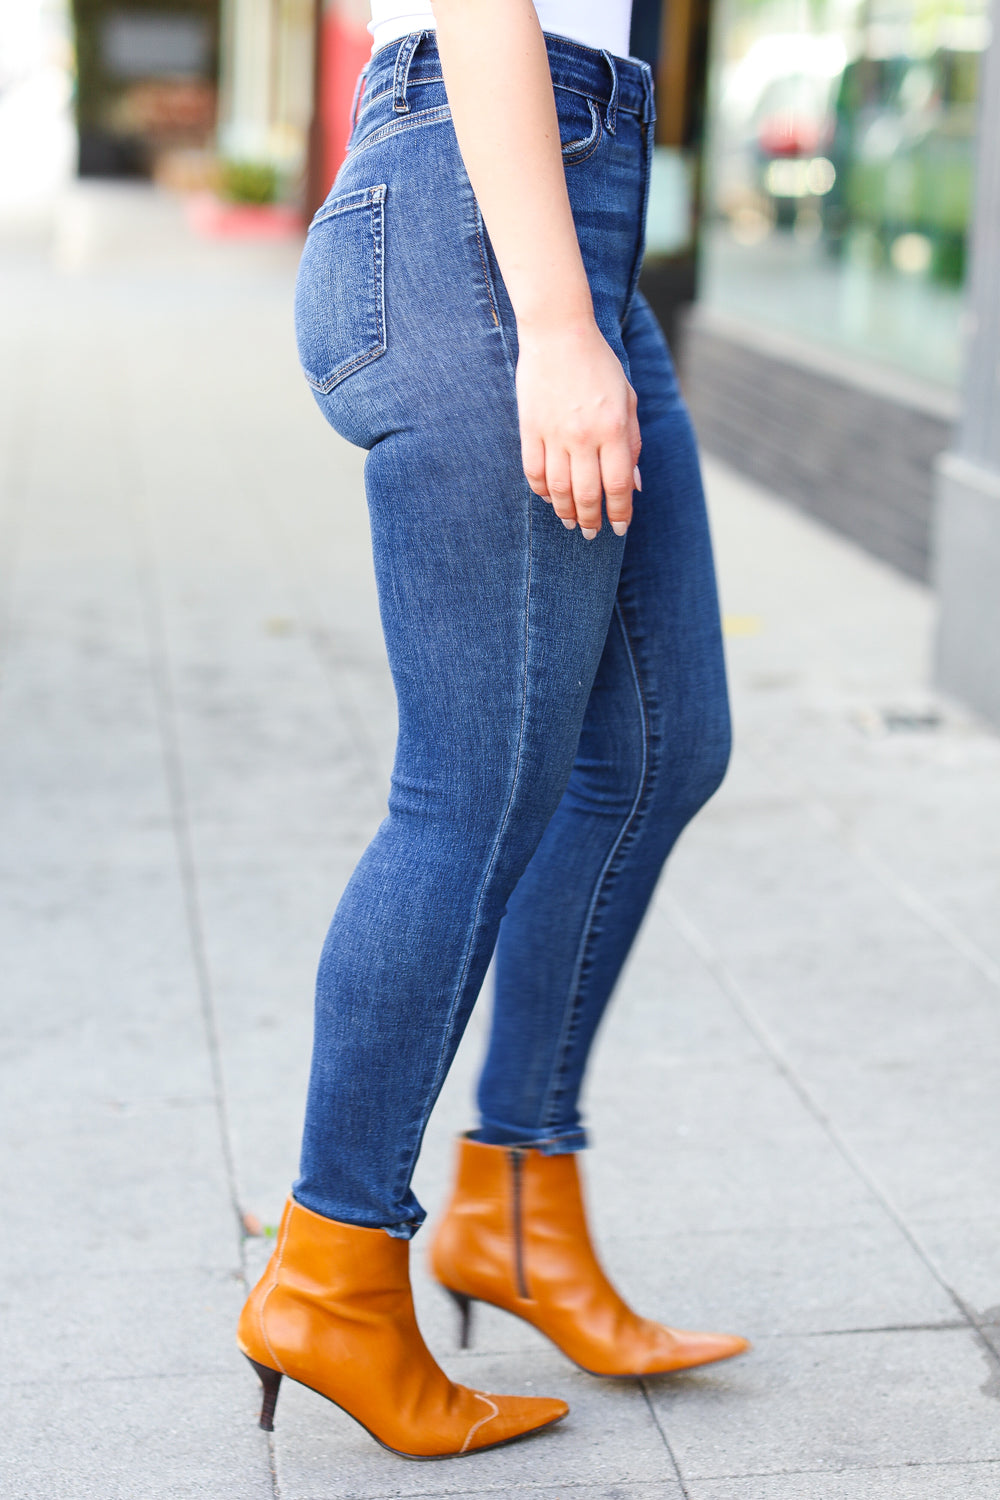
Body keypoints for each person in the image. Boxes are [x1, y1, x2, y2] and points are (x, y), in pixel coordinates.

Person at [237, 0, 749, 1460]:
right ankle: (332, 1268)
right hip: (484, 198)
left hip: (571, 209)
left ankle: (519, 1207)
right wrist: (553, 321)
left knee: (661, 746)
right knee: (473, 789)